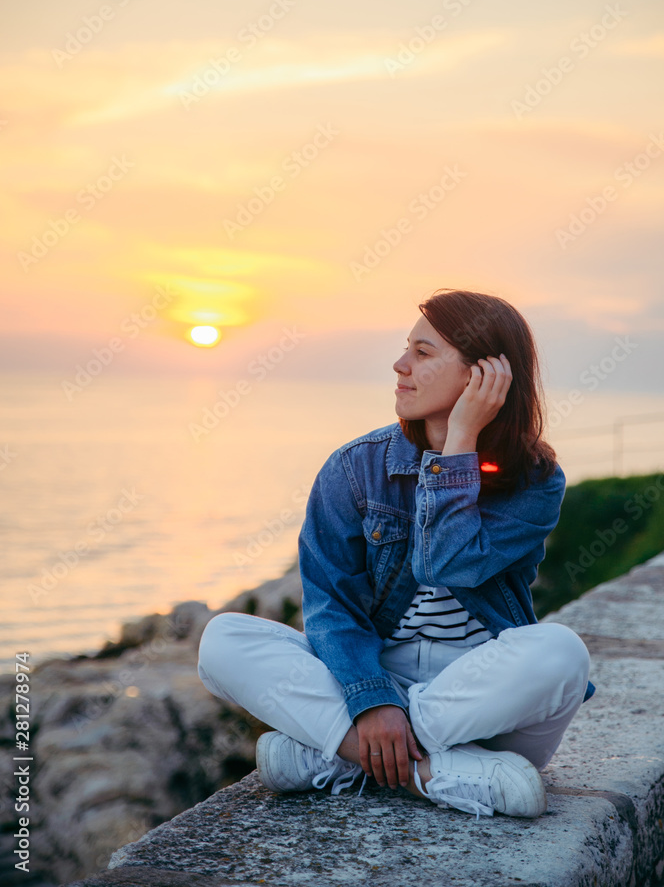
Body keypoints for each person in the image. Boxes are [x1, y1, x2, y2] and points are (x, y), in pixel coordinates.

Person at [197, 287, 595, 820]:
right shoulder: (354, 469)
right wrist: (373, 699)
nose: (399, 365)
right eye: (407, 347)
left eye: (424, 353)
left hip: (485, 701)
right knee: (223, 640)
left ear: (485, 376)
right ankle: (429, 771)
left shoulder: (535, 479)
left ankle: (344, 756)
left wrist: (458, 447)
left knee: (561, 653)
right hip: (376, 674)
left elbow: (446, 565)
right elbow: (330, 606)